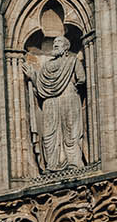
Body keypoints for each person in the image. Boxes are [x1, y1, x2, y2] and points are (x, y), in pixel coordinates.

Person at [28, 35, 87, 171]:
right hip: (50, 101)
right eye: (54, 42)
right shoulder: (47, 66)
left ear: (66, 47)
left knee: (71, 131)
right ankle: (52, 165)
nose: (55, 45)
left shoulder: (73, 61)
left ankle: (73, 163)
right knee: (49, 133)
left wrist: (74, 85)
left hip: (68, 97)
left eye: (59, 42)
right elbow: (41, 87)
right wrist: (33, 76)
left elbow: (82, 78)